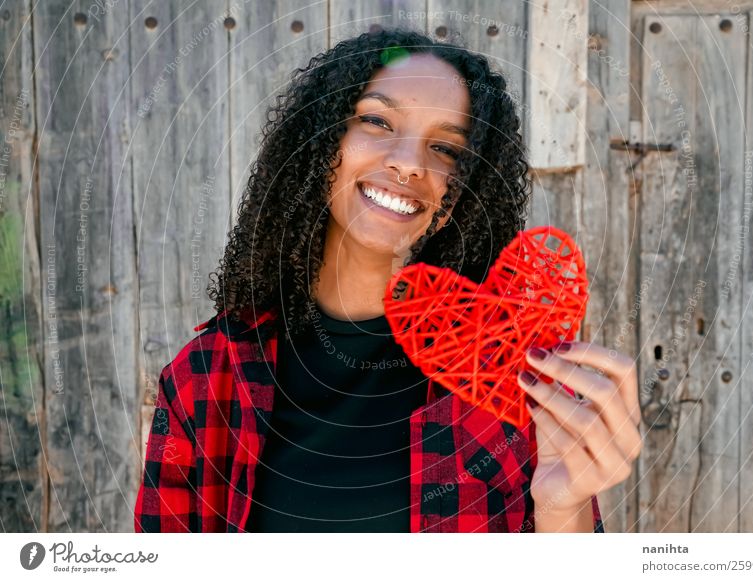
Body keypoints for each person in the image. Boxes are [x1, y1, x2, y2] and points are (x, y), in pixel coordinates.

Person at [133, 27, 642, 533]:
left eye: (446, 149)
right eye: (377, 121)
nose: (408, 163)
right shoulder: (206, 378)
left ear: (459, 196)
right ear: (321, 142)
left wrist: (562, 504)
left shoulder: (510, 371)